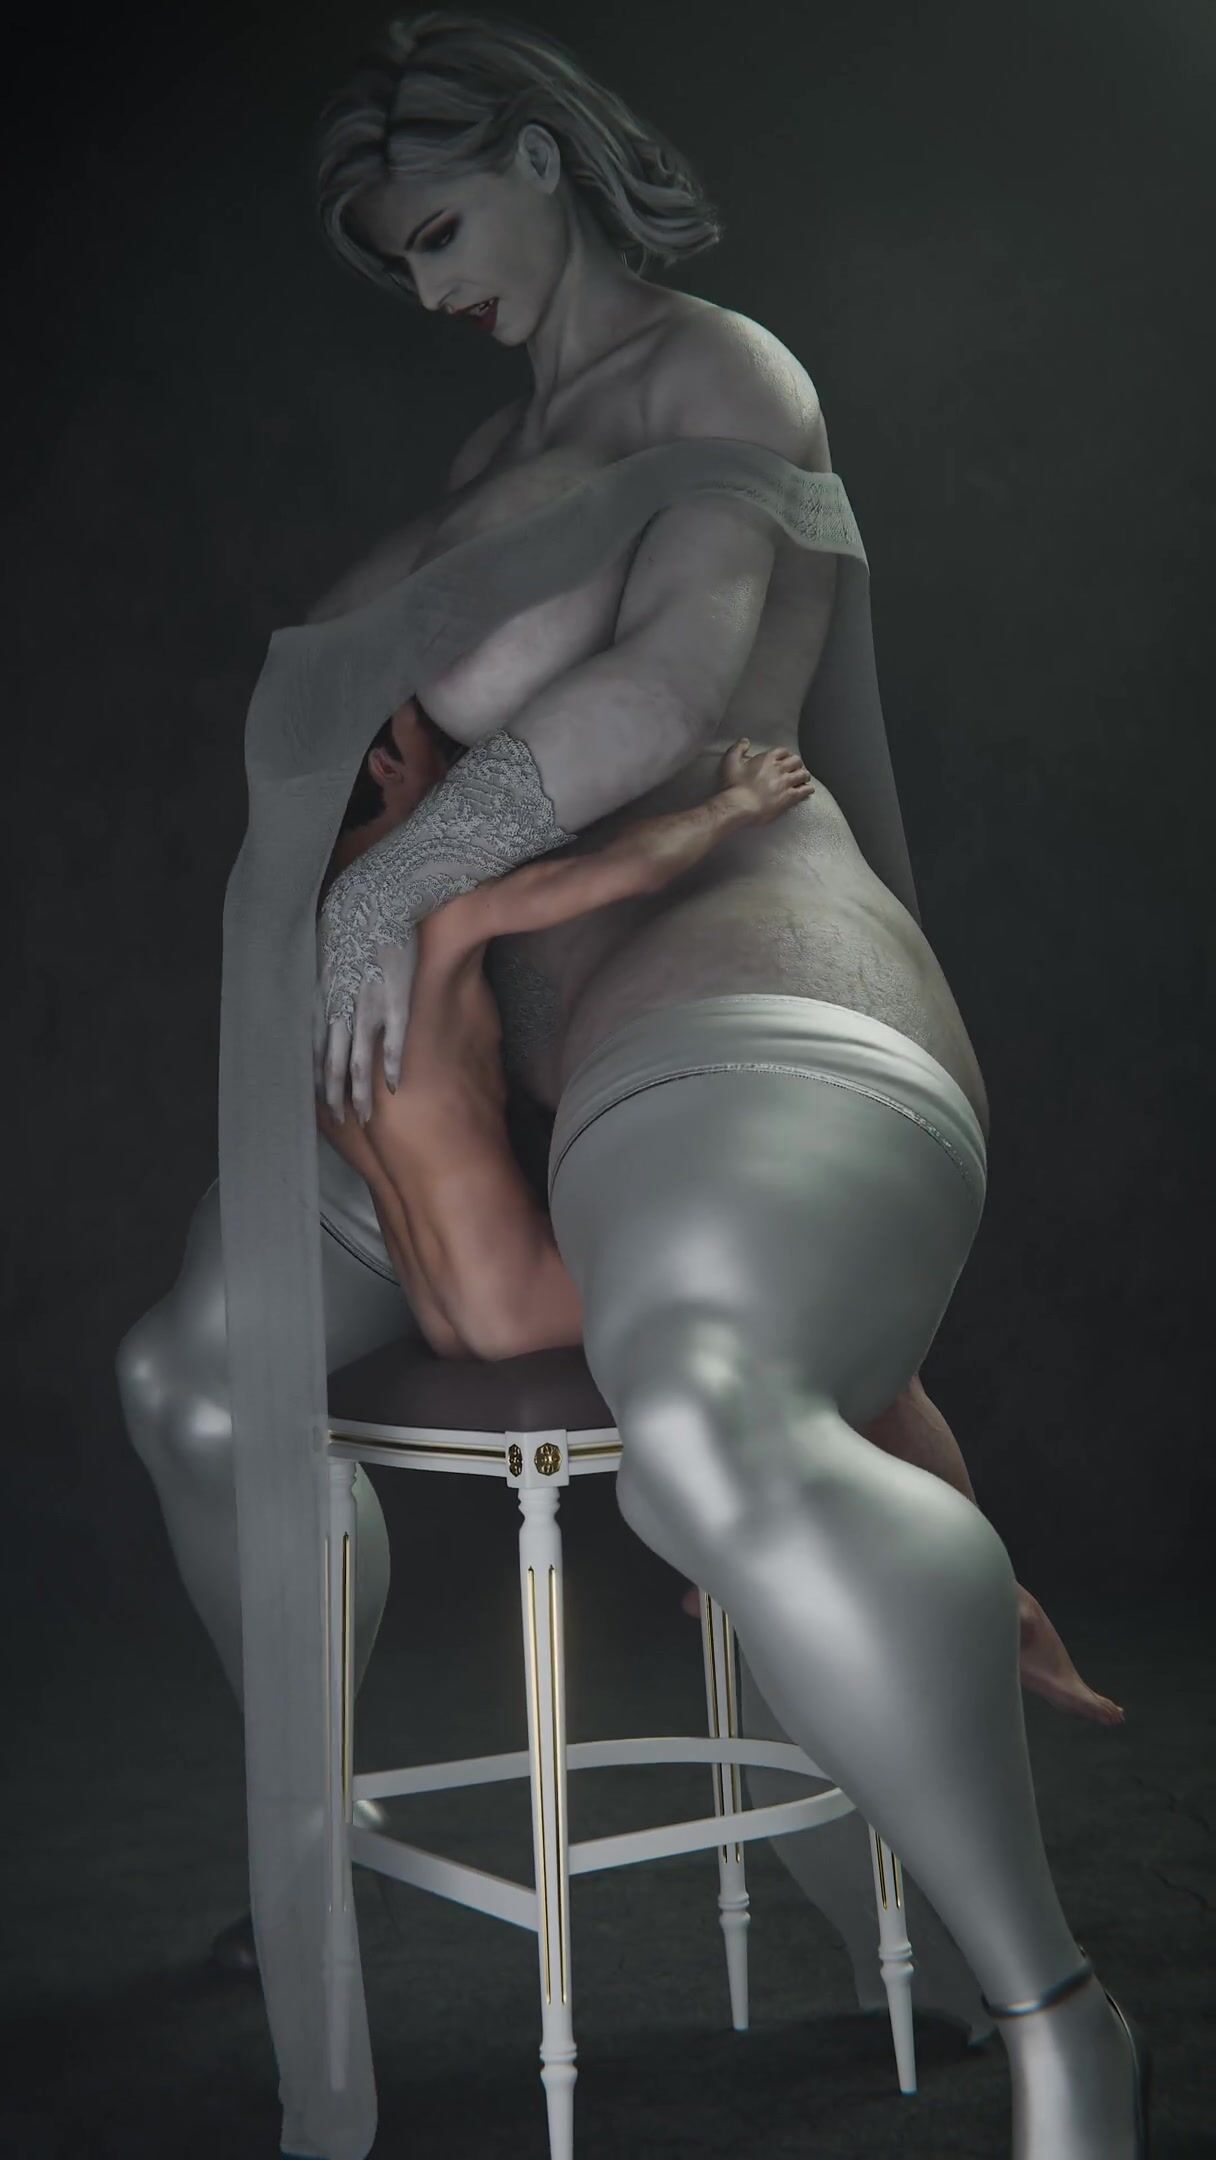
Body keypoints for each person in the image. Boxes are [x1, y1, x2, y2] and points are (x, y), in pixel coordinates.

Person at [119, 16, 1149, 2155]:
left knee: (700, 1409)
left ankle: (1056, 2010)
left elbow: (678, 689)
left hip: (730, 964)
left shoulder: (723, 370)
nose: (424, 286)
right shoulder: (491, 458)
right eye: (390, 262)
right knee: (195, 1382)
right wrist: (386, 902)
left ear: (535, 154)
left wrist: (395, 877)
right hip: (472, 1047)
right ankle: (305, 1861)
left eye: (434, 229)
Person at [323, 694, 1122, 1728]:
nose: (462, 754)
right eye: (433, 737)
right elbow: (610, 876)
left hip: (447, 1314)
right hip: (528, 1299)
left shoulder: (318, 963)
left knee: (768, 1321)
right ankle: (988, 1612)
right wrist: (733, 807)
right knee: (840, 1336)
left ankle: (749, 1558)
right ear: (385, 763)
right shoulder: (424, 914)